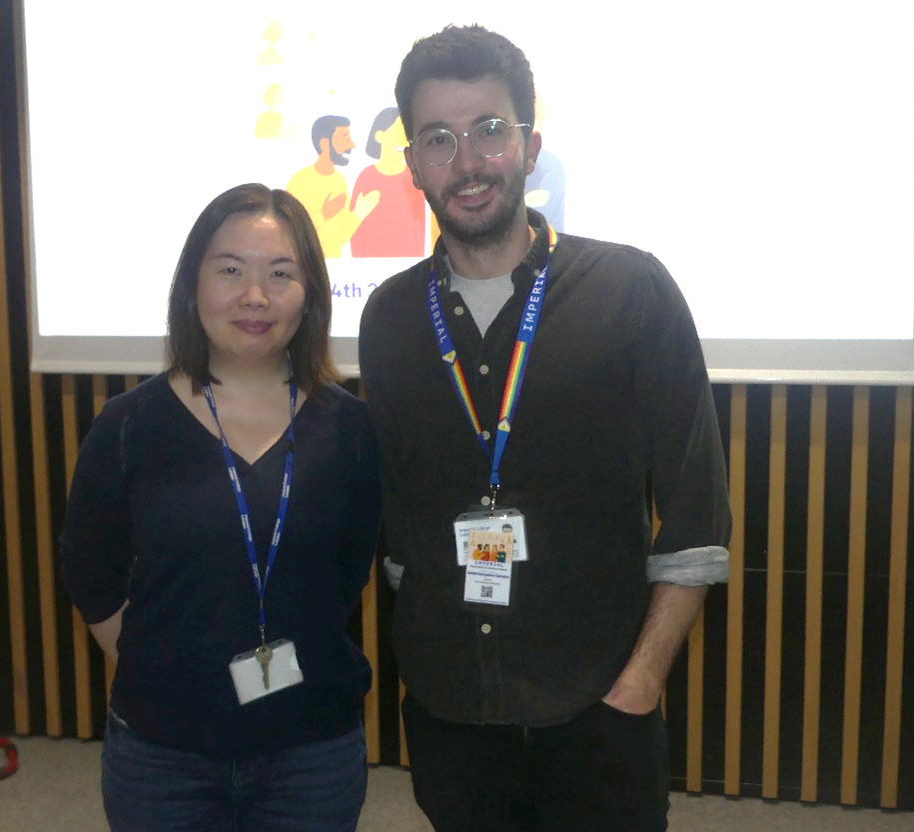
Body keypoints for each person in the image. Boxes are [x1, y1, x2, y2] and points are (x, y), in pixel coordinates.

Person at [358, 25, 732, 832]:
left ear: (530, 146)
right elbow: (399, 527)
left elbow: (696, 514)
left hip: (598, 711)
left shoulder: (630, 291)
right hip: (451, 712)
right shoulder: (388, 318)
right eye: (439, 138)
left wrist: (639, 683)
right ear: (413, 163)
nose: (467, 161)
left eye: (489, 130)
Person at [61, 183, 381, 832]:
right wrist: (164, 667)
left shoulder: (350, 428)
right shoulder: (128, 424)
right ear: (192, 285)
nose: (254, 295)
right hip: (162, 754)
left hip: (312, 749)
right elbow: (91, 574)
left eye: (281, 273)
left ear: (311, 294)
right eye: (230, 270)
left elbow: (350, 570)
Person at [287, 115, 379, 258]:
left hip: (335, 266)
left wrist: (358, 214)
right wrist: (323, 214)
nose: (352, 145)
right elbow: (290, 232)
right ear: (324, 143)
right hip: (305, 264)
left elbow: (340, 238)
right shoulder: (300, 180)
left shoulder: (339, 180)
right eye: (345, 138)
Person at [350, 107, 426, 257]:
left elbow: (419, 226)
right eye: (397, 131)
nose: (403, 139)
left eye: (406, 133)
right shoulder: (366, 177)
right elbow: (356, 229)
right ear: (379, 136)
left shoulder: (413, 176)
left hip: (409, 261)